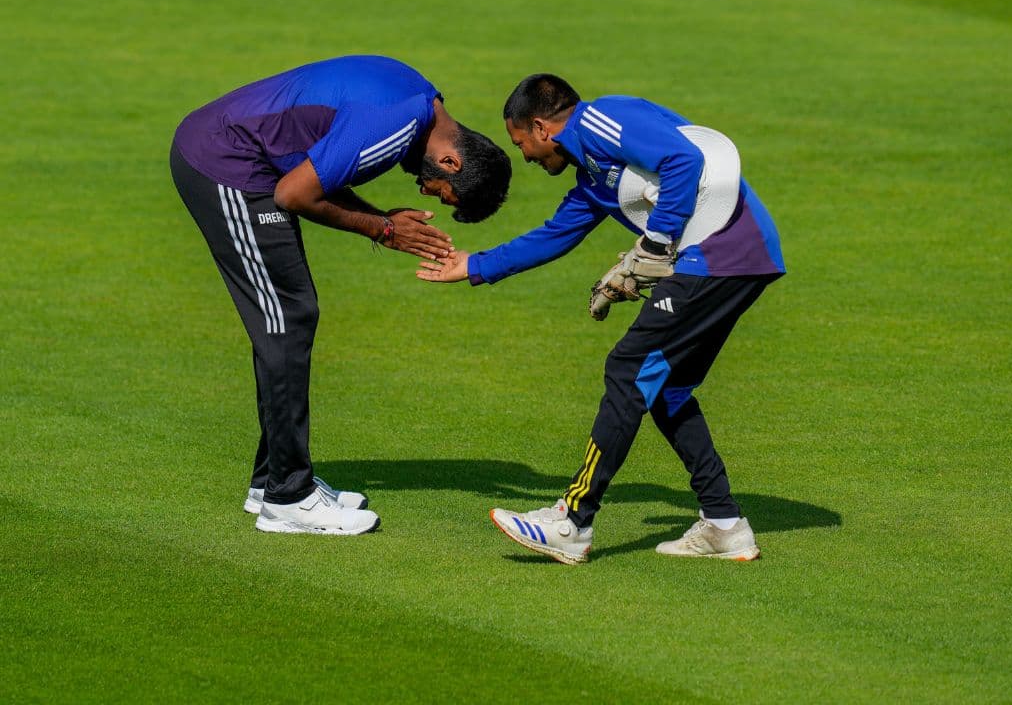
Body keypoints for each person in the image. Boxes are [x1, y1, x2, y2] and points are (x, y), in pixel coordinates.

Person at [417, 74, 784, 563]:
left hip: (720, 257)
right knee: (666, 388)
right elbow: (555, 234)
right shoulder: (592, 179)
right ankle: (723, 524)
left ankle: (573, 522)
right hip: (736, 260)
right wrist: (476, 266)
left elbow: (683, 160)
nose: (525, 155)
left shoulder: (601, 119)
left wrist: (655, 244)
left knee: (627, 370)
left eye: (521, 142)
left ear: (542, 127)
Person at [171, 55, 511, 535]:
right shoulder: (398, 125)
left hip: (246, 160)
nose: (424, 190)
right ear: (451, 161)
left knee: (291, 317)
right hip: (225, 164)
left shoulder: (420, 99)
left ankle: (271, 482)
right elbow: (295, 194)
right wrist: (383, 229)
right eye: (439, 191)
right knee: (287, 319)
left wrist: (381, 220)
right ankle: (288, 498)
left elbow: (321, 172)